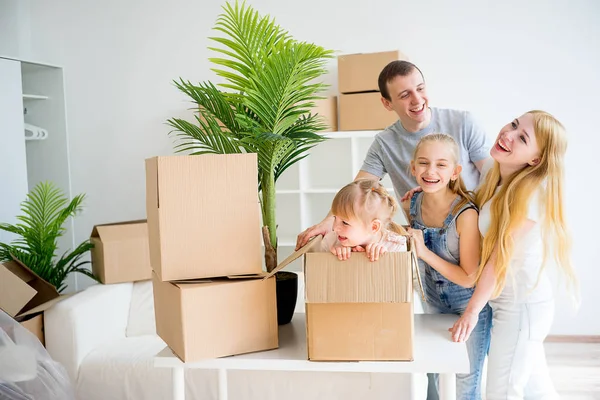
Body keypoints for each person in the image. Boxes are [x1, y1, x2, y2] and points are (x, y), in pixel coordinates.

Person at [450, 110, 578, 399]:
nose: (507, 134)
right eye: (514, 124)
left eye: (522, 137)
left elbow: (498, 257)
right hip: (503, 301)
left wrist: (471, 312)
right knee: (536, 389)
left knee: (503, 391)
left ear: (535, 159)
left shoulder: (533, 195)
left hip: (522, 307)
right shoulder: (493, 175)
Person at [296, 60, 490, 250]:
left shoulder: (464, 123)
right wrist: (329, 222)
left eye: (420, 88)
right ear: (387, 103)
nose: (417, 99)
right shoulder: (384, 143)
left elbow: (494, 177)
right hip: (424, 242)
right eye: (405, 95)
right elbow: (358, 190)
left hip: (472, 235)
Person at [402, 133, 492, 399]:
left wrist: (424, 253)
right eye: (424, 163)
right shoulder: (412, 203)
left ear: (455, 172)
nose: (431, 171)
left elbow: (469, 277)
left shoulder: (466, 214)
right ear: (413, 168)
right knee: (438, 377)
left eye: (441, 165)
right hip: (433, 304)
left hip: (468, 308)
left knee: (466, 383)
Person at [320, 179, 408, 261]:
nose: (335, 228)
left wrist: (385, 258)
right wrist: (333, 255)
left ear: (373, 227)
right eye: (335, 218)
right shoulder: (331, 240)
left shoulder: (395, 247)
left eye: (345, 223)